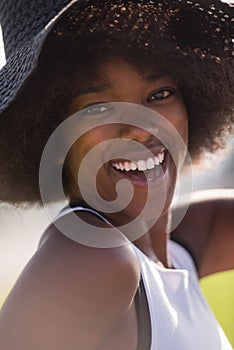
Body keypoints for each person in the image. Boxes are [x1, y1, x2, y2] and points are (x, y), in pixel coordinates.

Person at [0, 0, 233, 349]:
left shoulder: (180, 247)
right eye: (99, 108)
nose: (141, 129)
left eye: (160, 94)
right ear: (52, 132)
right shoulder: (89, 258)